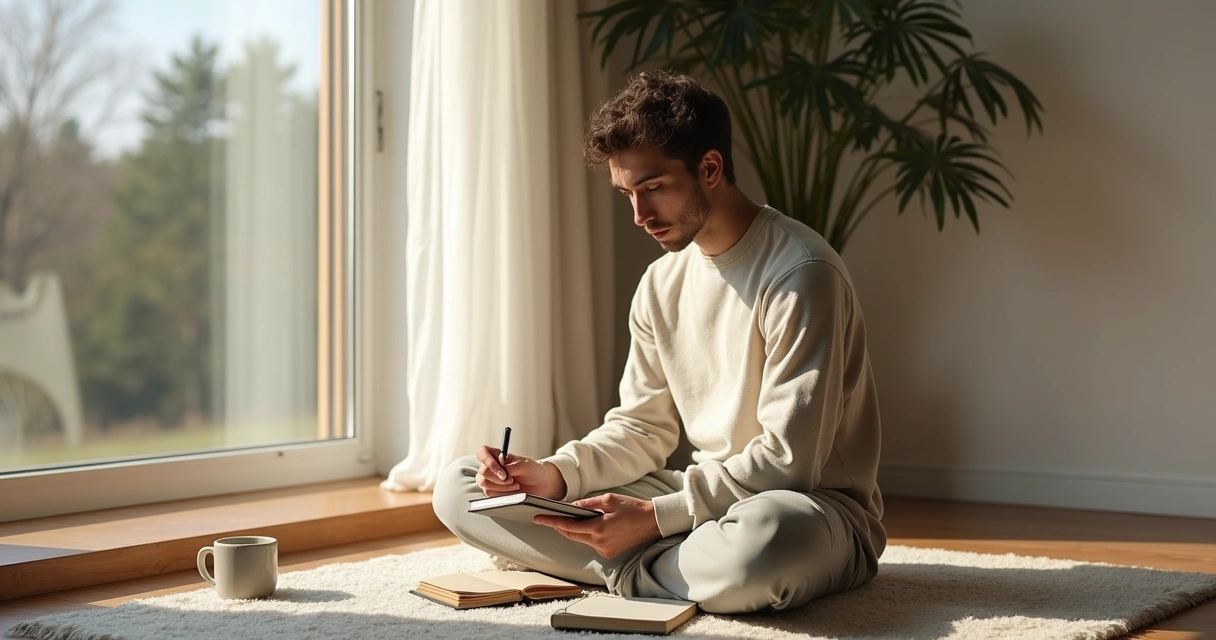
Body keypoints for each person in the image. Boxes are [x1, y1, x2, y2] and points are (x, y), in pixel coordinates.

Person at [432, 70, 885, 615]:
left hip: (805, 507)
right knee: (458, 490)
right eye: (627, 193)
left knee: (764, 546)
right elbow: (641, 427)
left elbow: (789, 464)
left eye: (652, 189)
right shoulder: (660, 283)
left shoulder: (802, 272)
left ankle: (616, 562)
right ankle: (666, 566)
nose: (639, 216)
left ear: (709, 169)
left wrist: (652, 519)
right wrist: (554, 477)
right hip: (697, 496)